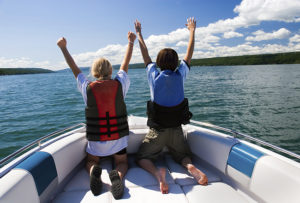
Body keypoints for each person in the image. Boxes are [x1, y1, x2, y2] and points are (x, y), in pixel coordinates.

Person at [57, 31, 136, 199]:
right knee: (122, 162)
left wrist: (64, 48)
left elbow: (74, 69)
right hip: (118, 139)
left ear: (93, 72)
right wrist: (130, 42)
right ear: (110, 70)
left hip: (97, 141)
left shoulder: (87, 87)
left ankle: (94, 171)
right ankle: (118, 177)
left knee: (91, 161)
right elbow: (126, 63)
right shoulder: (120, 84)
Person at [134, 18, 208, 194]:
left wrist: (139, 33)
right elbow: (189, 53)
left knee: (141, 158)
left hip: (157, 132)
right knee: (183, 156)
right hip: (176, 131)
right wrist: (192, 31)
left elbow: (145, 54)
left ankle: (158, 175)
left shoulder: (153, 75)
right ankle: (190, 167)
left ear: (158, 63)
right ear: (176, 63)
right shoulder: (181, 74)